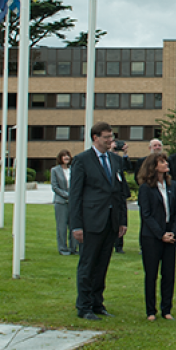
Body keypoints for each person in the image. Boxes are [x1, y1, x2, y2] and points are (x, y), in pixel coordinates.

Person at [69, 122, 128, 321]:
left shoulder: (115, 160)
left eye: (111, 136)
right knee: (88, 265)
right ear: (95, 138)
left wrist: (122, 221)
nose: (110, 140)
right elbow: (75, 195)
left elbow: (120, 193)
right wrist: (76, 225)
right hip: (91, 222)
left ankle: (97, 303)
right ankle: (83, 306)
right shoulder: (82, 160)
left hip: (110, 222)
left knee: (102, 264)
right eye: (106, 137)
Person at [137, 152, 176, 321]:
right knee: (151, 274)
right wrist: (160, 234)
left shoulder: (173, 186)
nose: (166, 164)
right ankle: (150, 310)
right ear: (154, 166)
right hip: (152, 237)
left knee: (169, 274)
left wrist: (173, 232)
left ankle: (166, 309)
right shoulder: (146, 188)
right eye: (162, 162)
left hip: (170, 235)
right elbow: (146, 215)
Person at [51, 150, 78, 256]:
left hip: (73, 203)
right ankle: (63, 248)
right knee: (61, 227)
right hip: (61, 202)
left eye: (68, 156)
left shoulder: (73, 170)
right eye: (64, 156)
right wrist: (67, 195)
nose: (66, 157)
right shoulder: (55, 170)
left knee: (73, 226)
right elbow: (54, 187)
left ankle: (73, 248)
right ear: (60, 158)